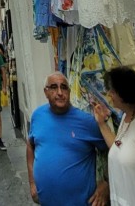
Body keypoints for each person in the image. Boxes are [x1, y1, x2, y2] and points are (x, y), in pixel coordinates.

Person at [26, 72, 109, 206]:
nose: (60, 92)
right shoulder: (37, 115)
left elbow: (113, 151)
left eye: (64, 87)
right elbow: (30, 145)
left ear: (69, 92)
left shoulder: (87, 122)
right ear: (45, 92)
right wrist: (32, 182)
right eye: (54, 87)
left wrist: (106, 184)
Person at [90, 67, 135, 206]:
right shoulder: (126, 117)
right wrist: (102, 124)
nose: (109, 94)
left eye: (112, 91)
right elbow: (119, 147)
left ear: (123, 93)